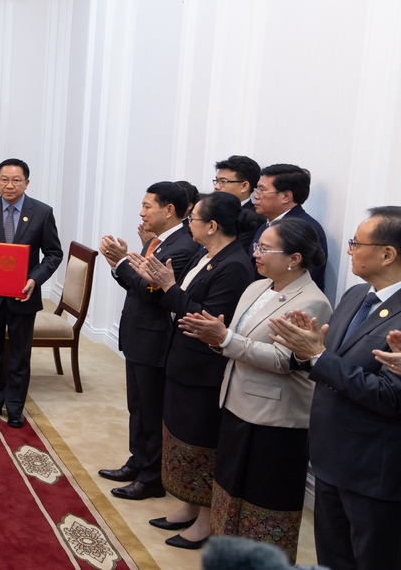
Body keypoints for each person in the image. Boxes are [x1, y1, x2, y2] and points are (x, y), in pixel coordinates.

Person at [178, 219, 330, 562]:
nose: (255, 253)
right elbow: (234, 337)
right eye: (257, 246)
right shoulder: (257, 287)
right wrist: (216, 337)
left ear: (293, 257)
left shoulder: (311, 302)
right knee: (230, 490)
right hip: (236, 402)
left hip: (275, 418)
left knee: (265, 501)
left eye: (264, 248)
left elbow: (283, 360)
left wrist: (225, 339)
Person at [269, 206, 401, 569]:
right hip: (329, 455)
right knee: (332, 556)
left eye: (357, 243)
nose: (349, 250)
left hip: (372, 469)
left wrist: (319, 356)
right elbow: (325, 358)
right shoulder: (357, 295)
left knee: (371, 559)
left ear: (387, 253)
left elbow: (390, 396)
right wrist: (307, 350)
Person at [127, 192, 255, 549]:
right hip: (180, 360)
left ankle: (205, 521)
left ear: (212, 226)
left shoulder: (234, 266)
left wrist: (168, 287)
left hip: (204, 369)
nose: (188, 224)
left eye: (194, 219)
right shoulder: (205, 254)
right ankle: (187, 506)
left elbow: (202, 318)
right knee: (182, 438)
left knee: (202, 445)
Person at [97, 182, 198, 501]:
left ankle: (152, 477)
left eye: (147, 206)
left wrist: (120, 262)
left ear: (169, 210)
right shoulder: (158, 241)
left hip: (156, 341)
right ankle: (138, 461)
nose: (141, 212)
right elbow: (137, 284)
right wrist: (122, 265)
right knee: (137, 407)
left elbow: (151, 293)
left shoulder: (182, 247)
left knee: (152, 411)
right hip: (138, 336)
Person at [0, 159, 63, 429]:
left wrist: (35, 279)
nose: (9, 185)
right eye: (4, 179)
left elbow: (54, 253)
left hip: (23, 296)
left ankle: (15, 407)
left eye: (16, 180)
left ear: (26, 183)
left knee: (20, 356)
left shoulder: (42, 212)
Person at [251, 164, 328, 291]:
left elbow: (304, 282)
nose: (256, 195)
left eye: (262, 190)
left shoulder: (305, 229)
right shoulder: (268, 224)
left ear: (286, 196)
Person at [213, 155, 266, 252]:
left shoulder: (253, 219)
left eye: (223, 181)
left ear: (244, 186)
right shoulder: (210, 211)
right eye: (216, 181)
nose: (216, 187)